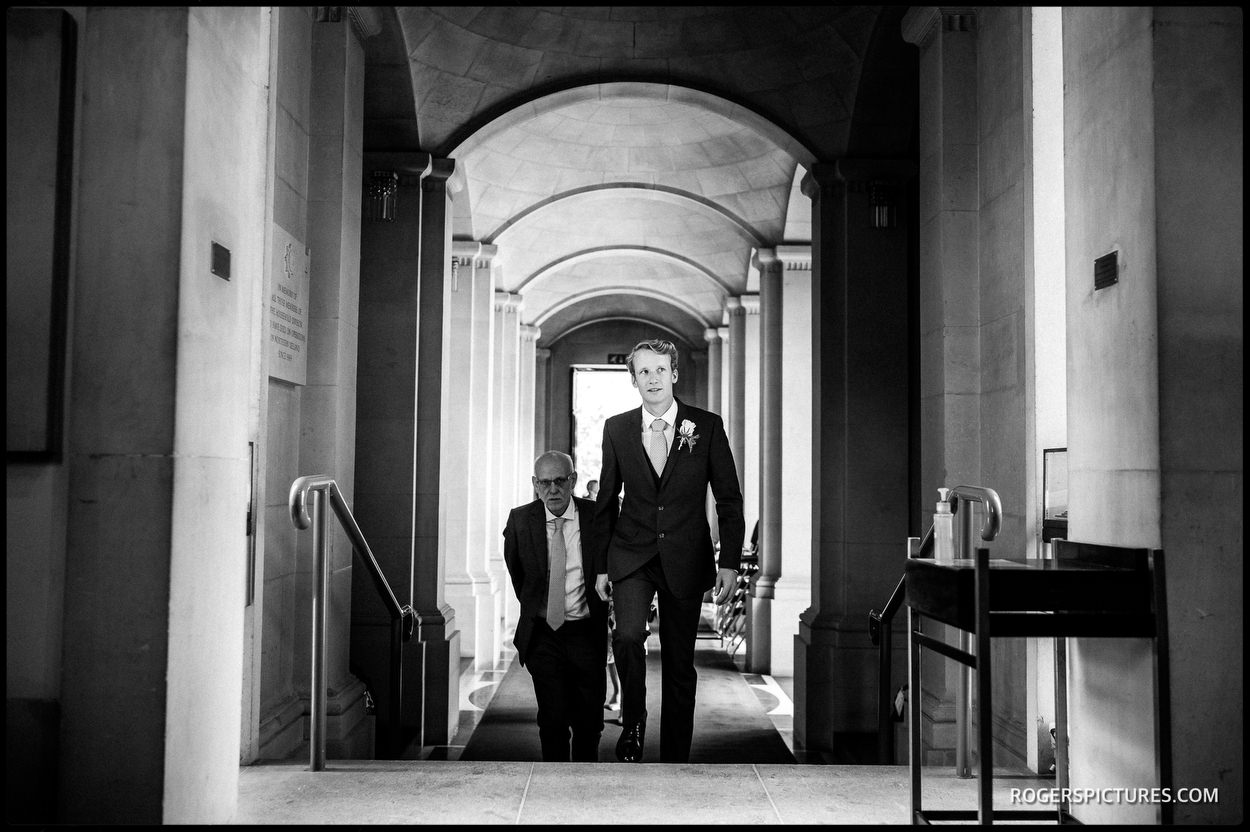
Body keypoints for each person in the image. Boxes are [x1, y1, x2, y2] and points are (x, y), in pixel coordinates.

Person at [590, 338, 744, 763]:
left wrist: (729, 561)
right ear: (634, 379)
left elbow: (729, 498)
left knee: (679, 662)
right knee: (625, 637)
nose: (653, 379)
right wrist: (602, 565)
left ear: (674, 374)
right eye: (644, 371)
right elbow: (605, 500)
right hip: (631, 553)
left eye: (660, 370)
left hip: (686, 557)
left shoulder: (706, 426)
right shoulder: (616, 428)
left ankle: (676, 751)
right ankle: (634, 722)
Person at [503, 451, 609, 762]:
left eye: (560, 481)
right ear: (535, 484)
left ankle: (585, 786)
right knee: (552, 719)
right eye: (545, 483)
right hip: (544, 633)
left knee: (589, 721)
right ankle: (553, 788)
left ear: (573, 480)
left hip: (586, 631)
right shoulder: (521, 521)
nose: (553, 490)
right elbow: (518, 575)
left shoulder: (597, 517)